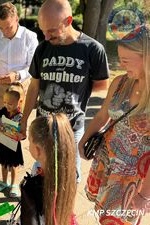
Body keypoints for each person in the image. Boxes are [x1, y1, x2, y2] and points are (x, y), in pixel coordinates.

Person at [19, 0, 109, 183]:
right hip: (43, 126)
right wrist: (23, 119)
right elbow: (34, 86)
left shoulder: (92, 50)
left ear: (68, 21)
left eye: (51, 31)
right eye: (43, 30)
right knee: (40, 176)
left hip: (72, 128)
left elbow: (101, 87)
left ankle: (66, 211)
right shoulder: (43, 49)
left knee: (69, 178)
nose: (46, 36)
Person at [79, 25, 150, 225]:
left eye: (126, 60)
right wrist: (83, 141)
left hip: (133, 179)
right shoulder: (120, 82)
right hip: (107, 163)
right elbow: (102, 115)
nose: (120, 64)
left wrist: (144, 195)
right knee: (104, 217)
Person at [0, 2, 38, 134]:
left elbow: (33, 67)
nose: (4, 32)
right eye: (1, 28)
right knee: (1, 124)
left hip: (21, 89)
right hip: (0, 89)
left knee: (16, 127)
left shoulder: (29, 37)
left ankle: (14, 154)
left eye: (8, 27)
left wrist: (16, 75)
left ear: (16, 19)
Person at [20, 113, 78, 225]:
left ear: (37, 150)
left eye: (30, 141)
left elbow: (29, 219)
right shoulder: (69, 172)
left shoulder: (32, 185)